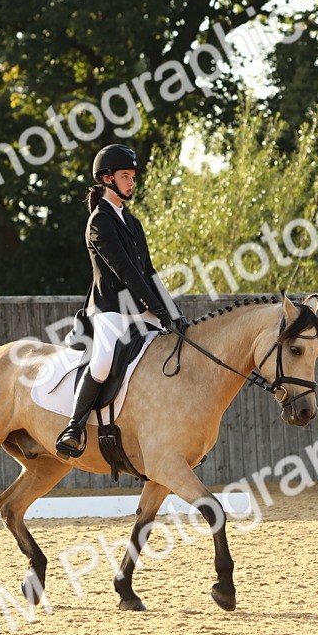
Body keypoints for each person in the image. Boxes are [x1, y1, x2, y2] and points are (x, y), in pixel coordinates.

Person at [55, 144, 188, 458]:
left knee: (180, 342)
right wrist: (156, 309)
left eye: (132, 177)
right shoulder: (99, 222)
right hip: (110, 309)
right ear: (106, 178)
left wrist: (172, 311)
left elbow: (149, 271)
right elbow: (126, 271)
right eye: (125, 176)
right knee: (102, 362)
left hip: (139, 308)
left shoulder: (132, 222)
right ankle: (74, 427)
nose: (131, 182)